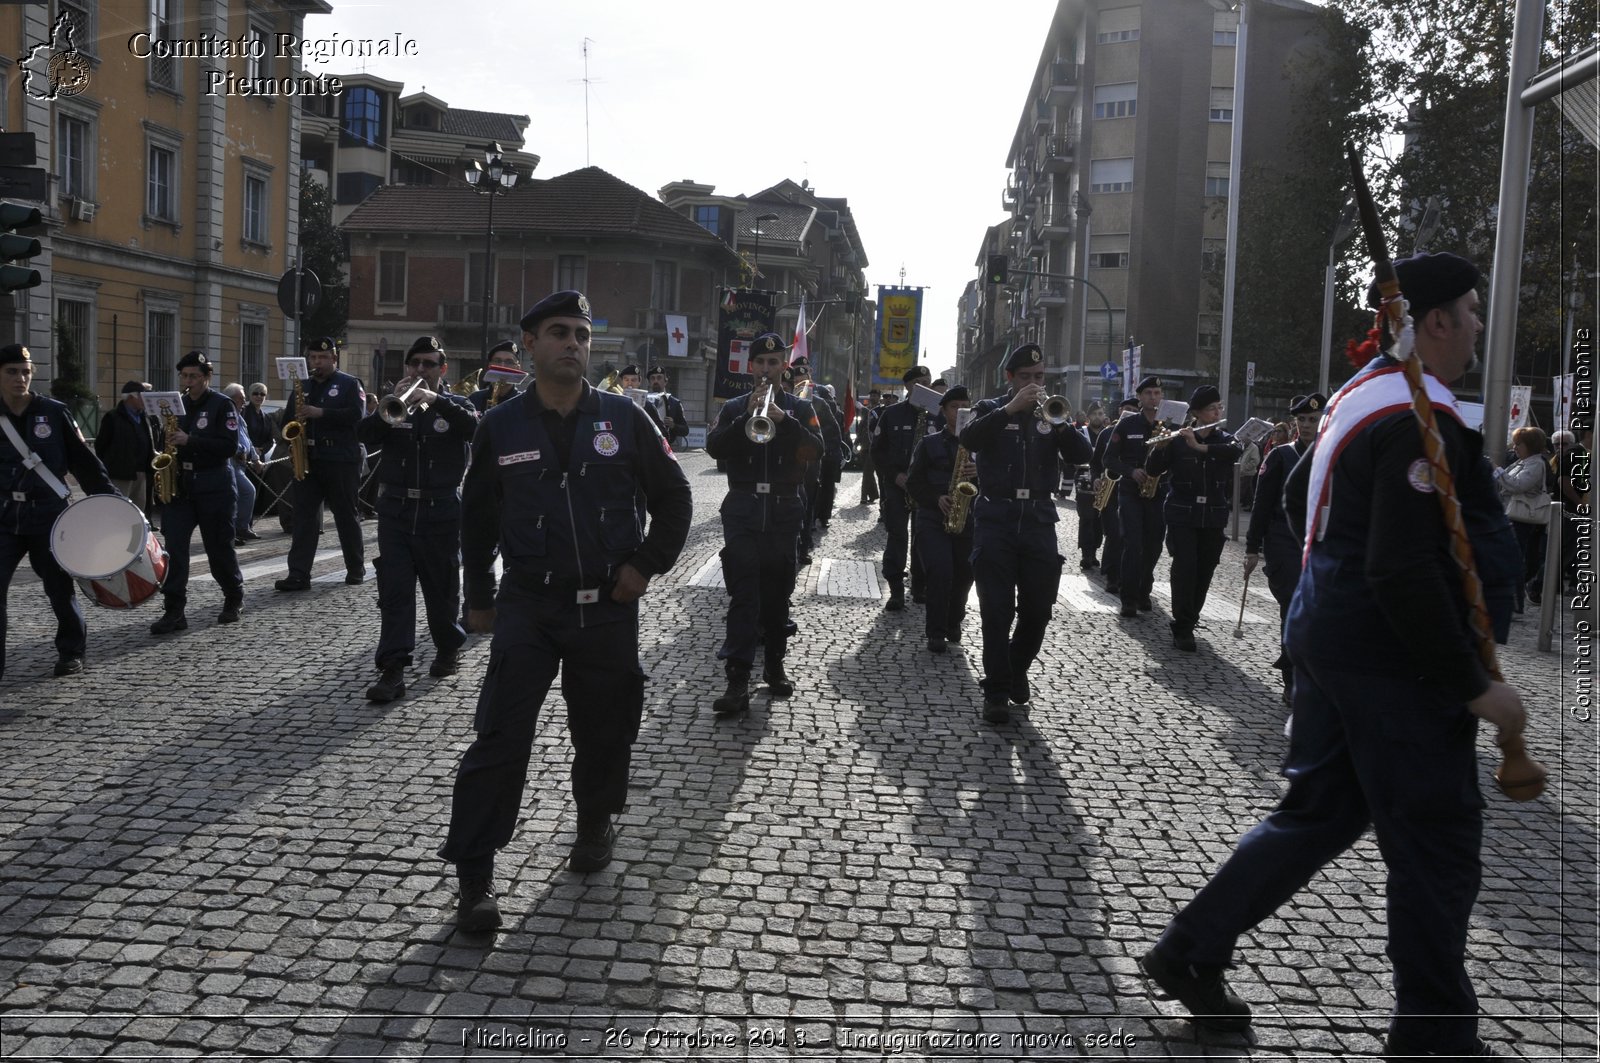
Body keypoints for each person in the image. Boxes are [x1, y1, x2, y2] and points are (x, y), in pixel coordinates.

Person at [1140, 251, 1526, 1060]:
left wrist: (1334, 583)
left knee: (1315, 816)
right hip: (1396, 667)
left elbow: (1297, 498)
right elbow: (1402, 568)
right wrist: (1470, 683)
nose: (1480, 325)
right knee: (1436, 840)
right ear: (1432, 324)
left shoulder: (1364, 398)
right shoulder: (1414, 418)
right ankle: (1435, 1037)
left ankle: (1189, 950)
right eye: (1471, 309)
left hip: (1331, 641)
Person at [440, 291, 691, 932]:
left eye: (581, 333)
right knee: (500, 736)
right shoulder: (500, 426)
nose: (573, 343)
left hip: (606, 603)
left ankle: (594, 822)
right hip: (530, 601)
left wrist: (643, 567)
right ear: (529, 344)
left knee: (606, 728)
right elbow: (477, 519)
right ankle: (475, 878)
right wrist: (477, 596)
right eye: (559, 332)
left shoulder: (625, 418)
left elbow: (676, 497)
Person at [959, 343, 1092, 723]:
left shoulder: (1053, 415)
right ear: (1010, 378)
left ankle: (1016, 669)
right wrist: (1010, 409)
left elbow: (1082, 454)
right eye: (1026, 378)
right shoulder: (990, 410)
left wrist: (1061, 422)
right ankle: (998, 691)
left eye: (1039, 378)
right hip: (996, 517)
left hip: (1038, 518)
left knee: (1038, 610)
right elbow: (969, 440)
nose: (1034, 385)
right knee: (996, 611)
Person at [704, 332, 825, 716]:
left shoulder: (801, 409)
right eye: (761, 363)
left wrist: (784, 422)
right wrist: (746, 418)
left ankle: (774, 663)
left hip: (784, 507)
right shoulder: (735, 407)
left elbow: (819, 448)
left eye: (775, 364)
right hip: (742, 507)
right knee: (744, 595)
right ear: (751, 367)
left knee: (777, 594)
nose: (768, 370)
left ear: (784, 367)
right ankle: (737, 678)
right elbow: (715, 448)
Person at [357, 336, 478, 703]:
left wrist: (437, 401)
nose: (421, 371)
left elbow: (478, 431)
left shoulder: (456, 405)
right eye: (415, 364)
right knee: (394, 593)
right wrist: (387, 408)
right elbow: (362, 435)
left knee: (441, 590)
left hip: (440, 511)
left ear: (443, 369)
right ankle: (393, 669)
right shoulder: (394, 407)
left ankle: (447, 646)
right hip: (395, 511)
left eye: (429, 364)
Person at [0, 344, 117, 680]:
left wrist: (110, 504)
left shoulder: (52, 412)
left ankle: (71, 651)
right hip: (5, 515)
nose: (20, 378)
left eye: (25, 371)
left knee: (58, 588)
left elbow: (83, 462)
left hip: (49, 515)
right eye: (11, 371)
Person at [149, 352, 245, 634]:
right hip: (181, 486)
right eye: (184, 376)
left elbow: (229, 446)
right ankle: (174, 611)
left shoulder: (222, 405)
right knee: (175, 550)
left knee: (218, 548)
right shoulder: (176, 406)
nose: (188, 382)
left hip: (214, 484)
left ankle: (233, 596)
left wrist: (190, 439)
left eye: (194, 377)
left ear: (207, 378)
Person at [1145, 384, 1242, 652]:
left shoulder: (1224, 439)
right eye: (1212, 408)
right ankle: (1183, 625)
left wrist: (1200, 447)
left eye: (1218, 407)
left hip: (1213, 515)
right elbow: (1153, 470)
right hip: (1182, 513)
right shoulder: (1177, 439)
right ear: (1197, 413)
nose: (1217, 411)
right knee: (1185, 567)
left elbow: (1236, 451)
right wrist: (1160, 448)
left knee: (1205, 569)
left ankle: (1192, 616)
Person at [1245, 393, 1325, 701]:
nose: (1306, 425)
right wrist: (1252, 548)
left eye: (1312, 420)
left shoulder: (1332, 455)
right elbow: (1261, 505)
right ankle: (1291, 678)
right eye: (1301, 420)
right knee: (1293, 607)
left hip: (1318, 542)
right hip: (1283, 541)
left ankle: (1309, 673)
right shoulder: (1280, 456)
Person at [274, 337, 367, 591]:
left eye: (323, 358)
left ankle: (355, 568)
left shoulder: (349, 384)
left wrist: (321, 413)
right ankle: (299, 574)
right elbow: (288, 421)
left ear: (334, 359)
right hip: (309, 460)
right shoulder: (301, 385)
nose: (318, 362)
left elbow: (357, 415)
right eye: (314, 357)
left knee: (346, 515)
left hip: (340, 460)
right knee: (304, 518)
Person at [906, 386, 976, 654]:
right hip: (933, 518)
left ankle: (953, 621)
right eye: (954, 406)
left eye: (965, 407)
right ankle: (935, 632)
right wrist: (936, 498)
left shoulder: (979, 446)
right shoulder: (929, 443)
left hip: (967, 518)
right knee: (939, 571)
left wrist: (979, 471)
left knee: (964, 574)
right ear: (944, 411)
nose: (960, 411)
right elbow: (914, 482)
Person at [1104, 375, 1168, 618]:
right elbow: (1108, 458)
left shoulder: (1168, 427)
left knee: (1153, 546)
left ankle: (1144, 591)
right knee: (1133, 544)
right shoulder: (1127, 425)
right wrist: (1131, 471)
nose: (1153, 397)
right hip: (1130, 492)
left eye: (1157, 393)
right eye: (1149, 393)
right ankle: (1128, 598)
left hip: (1158, 493)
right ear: (1140, 398)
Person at [873, 366, 933, 608]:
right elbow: (878, 451)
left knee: (924, 537)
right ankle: (896, 588)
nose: (925, 386)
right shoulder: (892, 414)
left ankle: (920, 587)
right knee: (897, 534)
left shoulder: (938, 414)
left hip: (926, 487)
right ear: (908, 386)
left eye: (928, 381)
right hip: (898, 484)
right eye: (919, 382)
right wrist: (895, 475)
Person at [788, 356, 840, 564]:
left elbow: (832, 431)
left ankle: (804, 546)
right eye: (796, 375)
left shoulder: (818, 402)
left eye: (803, 374)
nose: (799, 379)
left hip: (809, 462)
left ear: (809, 376)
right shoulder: (779, 400)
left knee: (807, 503)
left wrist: (828, 456)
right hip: (784, 462)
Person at [1494, 426, 1550, 614]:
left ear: (1530, 445)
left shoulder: (1535, 464)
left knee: (1515, 560)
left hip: (1522, 518)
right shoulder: (1522, 462)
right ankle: (1512, 602)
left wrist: (1497, 471)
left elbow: (1517, 485)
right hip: (1511, 514)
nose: (1515, 447)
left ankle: (1516, 603)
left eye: (1519, 444)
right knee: (1511, 558)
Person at [1094, 397, 1139, 596]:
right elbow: (1096, 461)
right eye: (1125, 409)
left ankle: (1126, 577)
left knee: (1129, 536)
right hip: (1109, 489)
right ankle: (1112, 576)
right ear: (1119, 410)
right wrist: (1095, 477)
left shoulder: (1141, 432)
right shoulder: (1106, 433)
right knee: (1113, 534)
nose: (1127, 412)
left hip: (1131, 489)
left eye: (1132, 410)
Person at [96, 380, 158, 518]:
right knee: (119, 512)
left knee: (138, 513)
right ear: (131, 397)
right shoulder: (112, 417)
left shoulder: (144, 417)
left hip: (141, 473)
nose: (146, 400)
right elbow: (101, 446)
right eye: (143, 396)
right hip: (121, 474)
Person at [221, 383, 259, 544]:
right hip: (231, 462)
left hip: (241, 464)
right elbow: (227, 439)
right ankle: (238, 528)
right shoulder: (226, 415)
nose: (244, 402)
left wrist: (255, 458)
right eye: (241, 399)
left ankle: (241, 527)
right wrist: (239, 450)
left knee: (243, 494)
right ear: (231, 399)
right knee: (245, 492)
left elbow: (247, 438)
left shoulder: (239, 416)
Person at [1072, 403, 1108, 569]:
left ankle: (1093, 551)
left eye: (1100, 414)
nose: (1097, 417)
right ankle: (1086, 554)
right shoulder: (1081, 433)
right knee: (1086, 518)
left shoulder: (1107, 434)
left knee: (1099, 520)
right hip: (1084, 482)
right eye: (1094, 414)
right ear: (1088, 417)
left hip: (1104, 482)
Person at [618, 363, 670, 438]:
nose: (629, 383)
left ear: (639, 382)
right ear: (622, 382)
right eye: (626, 380)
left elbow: (663, 434)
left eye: (633, 380)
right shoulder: (615, 404)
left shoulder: (648, 406)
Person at [646, 364, 688, 448]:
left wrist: (673, 425)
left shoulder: (675, 403)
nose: (655, 381)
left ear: (665, 381)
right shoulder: (644, 401)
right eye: (653, 378)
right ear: (650, 382)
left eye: (659, 378)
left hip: (666, 446)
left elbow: (685, 430)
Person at [857, 392, 881, 505]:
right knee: (868, 472)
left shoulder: (882, 410)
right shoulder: (866, 411)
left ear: (879, 397)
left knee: (867, 472)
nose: (873, 397)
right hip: (864, 445)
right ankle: (874, 494)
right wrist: (856, 441)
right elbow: (861, 426)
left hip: (875, 446)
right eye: (871, 395)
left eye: (875, 395)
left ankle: (863, 497)